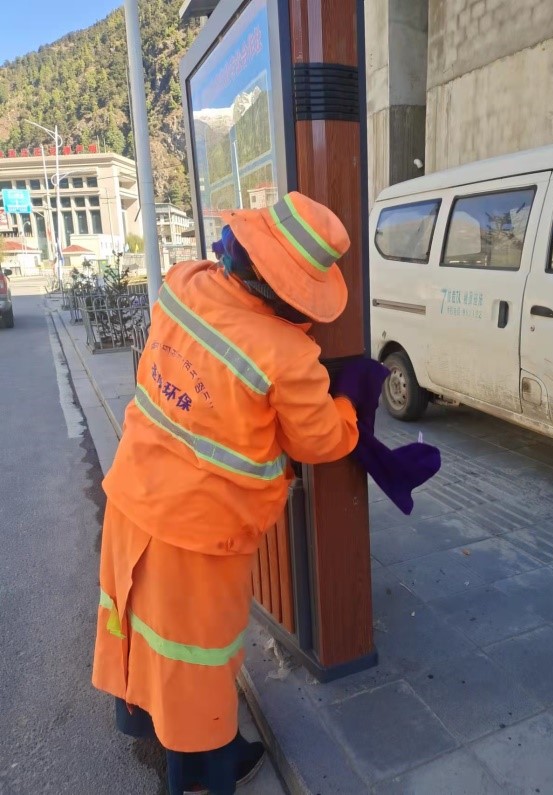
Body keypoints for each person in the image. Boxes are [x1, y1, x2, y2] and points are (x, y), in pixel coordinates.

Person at [92, 191, 360, 795]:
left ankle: (145, 725)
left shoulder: (184, 284)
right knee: (196, 658)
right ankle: (203, 774)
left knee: (136, 623)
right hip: (198, 536)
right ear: (293, 291)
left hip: (132, 496)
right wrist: (348, 410)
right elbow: (319, 440)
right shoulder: (287, 355)